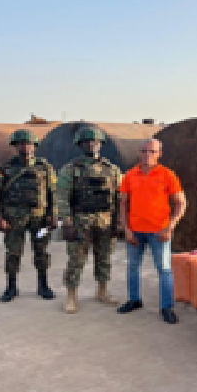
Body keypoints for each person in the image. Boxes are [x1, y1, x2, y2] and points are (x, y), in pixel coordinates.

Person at [116, 139, 187, 324]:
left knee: (163, 269)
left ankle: (166, 307)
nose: (148, 154)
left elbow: (181, 203)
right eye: (144, 151)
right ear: (139, 153)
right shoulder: (130, 176)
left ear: (159, 153)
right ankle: (134, 300)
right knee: (132, 267)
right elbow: (123, 204)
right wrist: (127, 230)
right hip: (135, 231)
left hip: (159, 232)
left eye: (152, 151)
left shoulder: (167, 175)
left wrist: (169, 227)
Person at [57, 126, 123, 314]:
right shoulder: (70, 169)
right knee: (76, 260)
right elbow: (62, 197)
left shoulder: (112, 170)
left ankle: (102, 291)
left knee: (104, 259)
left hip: (105, 221)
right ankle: (71, 296)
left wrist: (117, 222)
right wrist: (67, 223)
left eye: (94, 141)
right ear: (80, 144)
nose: (91, 145)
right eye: (86, 141)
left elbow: (119, 198)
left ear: (100, 144)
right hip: (80, 222)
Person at [0, 129, 59, 302]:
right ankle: (11, 287)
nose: (25, 147)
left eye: (29, 144)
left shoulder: (45, 167)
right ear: (15, 146)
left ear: (35, 146)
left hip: (40, 218)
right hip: (13, 219)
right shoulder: (3, 168)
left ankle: (43, 285)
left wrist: (53, 215)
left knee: (41, 252)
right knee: (13, 253)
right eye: (21, 144)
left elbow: (53, 193)